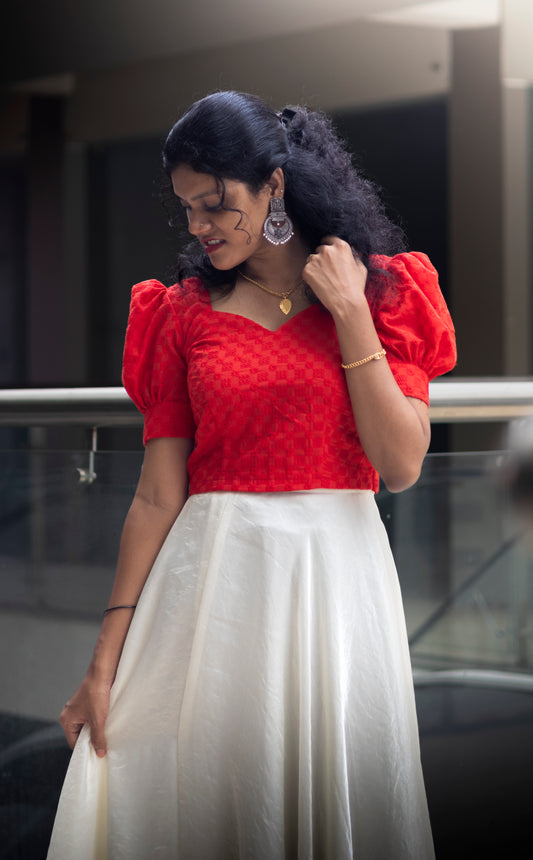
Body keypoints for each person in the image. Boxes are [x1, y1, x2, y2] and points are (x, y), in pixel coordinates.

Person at [47, 91, 456, 860]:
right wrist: (102, 663)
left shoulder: (382, 293)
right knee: (200, 797)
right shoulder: (180, 313)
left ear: (273, 184)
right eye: (187, 209)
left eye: (215, 204)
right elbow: (158, 493)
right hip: (211, 590)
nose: (199, 227)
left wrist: (350, 316)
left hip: (333, 584)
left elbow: (399, 464)